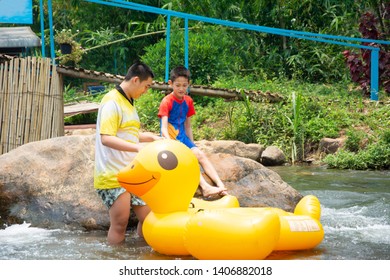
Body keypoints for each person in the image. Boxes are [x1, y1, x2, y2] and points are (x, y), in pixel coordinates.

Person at [94, 62, 160, 245]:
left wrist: (150, 138)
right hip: (113, 174)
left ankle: (145, 252)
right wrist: (138, 148)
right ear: (136, 80)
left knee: (149, 218)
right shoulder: (112, 101)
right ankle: (115, 261)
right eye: (146, 86)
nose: (146, 91)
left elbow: (128, 133)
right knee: (120, 223)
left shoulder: (128, 102)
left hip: (133, 172)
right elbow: (106, 137)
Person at [158, 65, 228, 198]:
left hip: (183, 138)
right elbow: (163, 127)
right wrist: (169, 144)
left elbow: (188, 126)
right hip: (170, 140)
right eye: (177, 85)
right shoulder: (166, 101)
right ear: (170, 84)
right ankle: (205, 187)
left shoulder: (188, 101)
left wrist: (193, 144)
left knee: (200, 155)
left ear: (188, 84)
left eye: (184, 85)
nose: (181, 88)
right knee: (189, 159)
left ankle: (220, 185)